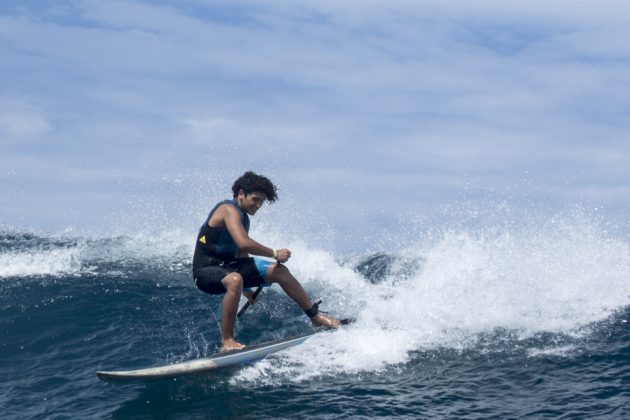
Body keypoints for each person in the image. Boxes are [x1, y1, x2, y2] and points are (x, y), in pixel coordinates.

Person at [192, 171, 341, 352]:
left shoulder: (243, 219)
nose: (258, 205)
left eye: (262, 201)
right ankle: (227, 341)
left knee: (279, 271)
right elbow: (244, 242)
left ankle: (315, 317)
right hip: (205, 271)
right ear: (241, 194)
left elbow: (241, 255)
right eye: (255, 199)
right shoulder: (227, 209)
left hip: (229, 268)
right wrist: (274, 253)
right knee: (235, 279)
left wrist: (246, 289)